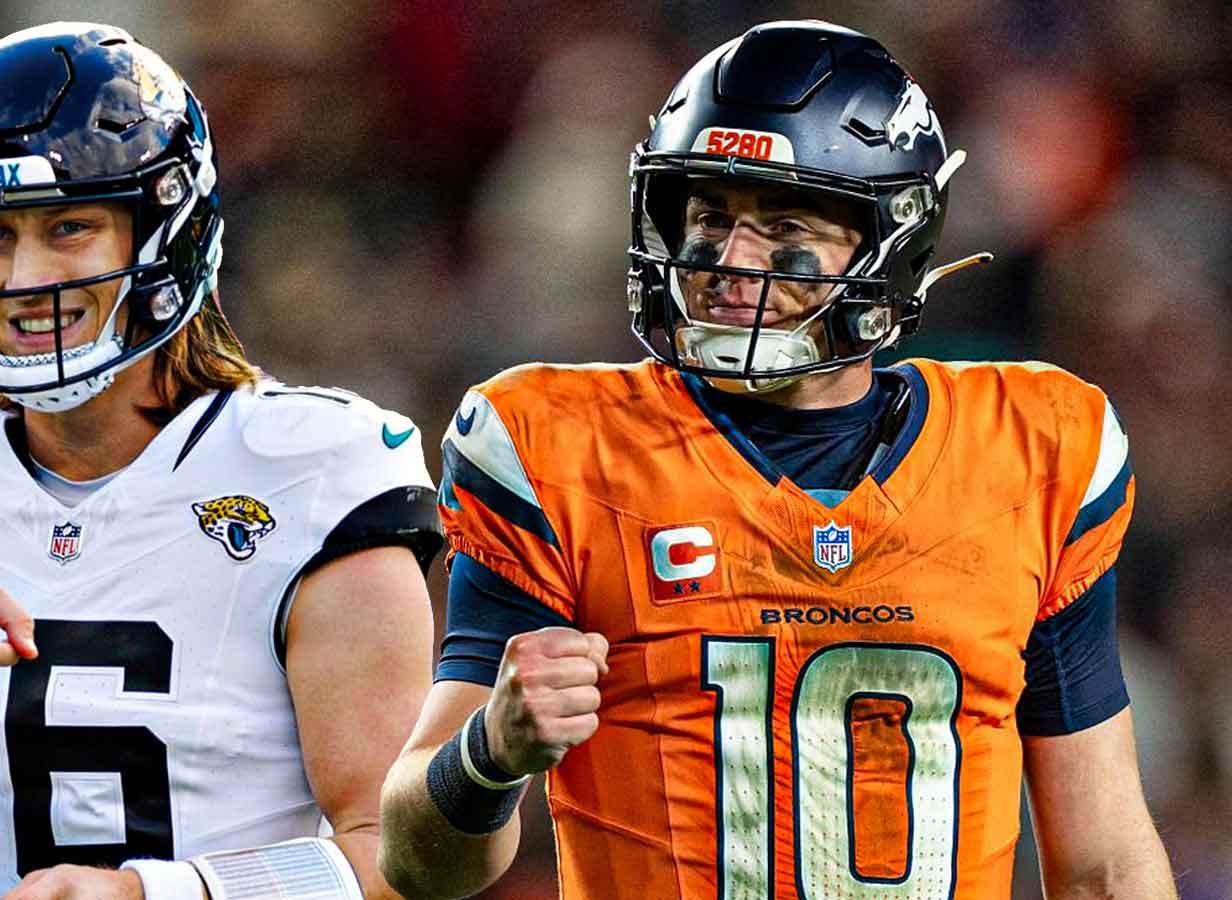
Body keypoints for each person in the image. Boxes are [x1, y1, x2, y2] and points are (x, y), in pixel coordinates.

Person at [379, 19, 1177, 900]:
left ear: (892, 242)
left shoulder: (1033, 450)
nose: (729, 261)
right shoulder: (553, 446)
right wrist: (487, 757)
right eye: (709, 216)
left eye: (784, 225)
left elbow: (1102, 862)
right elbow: (419, 866)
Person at [0, 23, 441, 900]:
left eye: (67, 228)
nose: (23, 278)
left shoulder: (314, 472)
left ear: (164, 232)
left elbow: (402, 859)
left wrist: (156, 895)